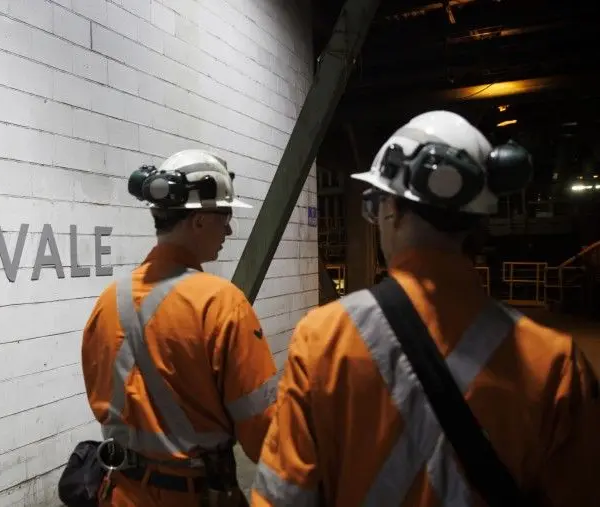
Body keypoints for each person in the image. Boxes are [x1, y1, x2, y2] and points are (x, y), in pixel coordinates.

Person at [250, 111, 600, 506]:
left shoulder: (324, 338)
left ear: (392, 210)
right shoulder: (556, 364)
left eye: (374, 206)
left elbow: (282, 498)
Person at [80, 149, 279, 507]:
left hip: (120, 494)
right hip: (195, 496)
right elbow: (262, 433)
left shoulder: (108, 302)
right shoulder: (222, 304)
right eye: (225, 216)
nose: (228, 229)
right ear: (199, 220)